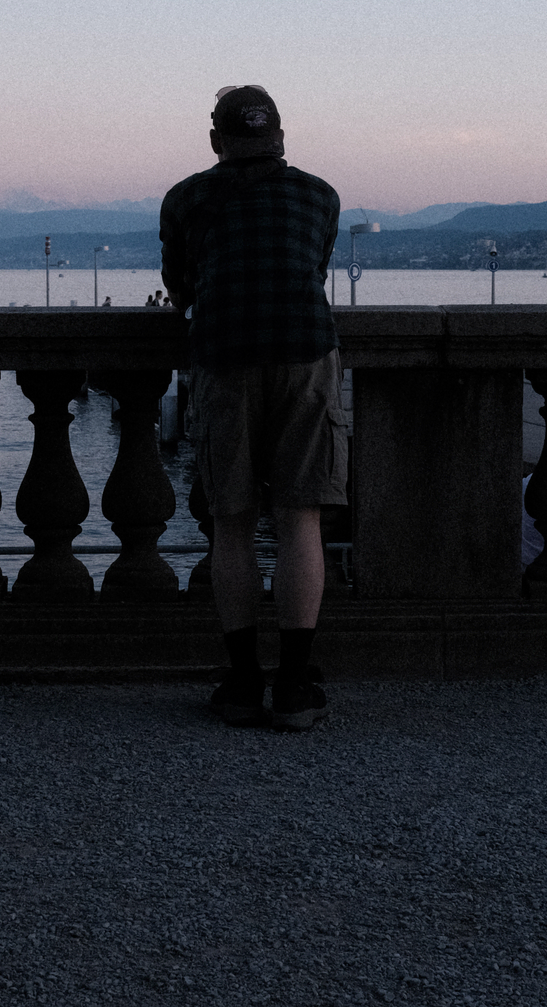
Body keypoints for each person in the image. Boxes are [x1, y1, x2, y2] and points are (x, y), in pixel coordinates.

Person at [160, 85, 346, 730]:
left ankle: (242, 684)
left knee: (232, 520)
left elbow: (180, 286)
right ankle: (294, 687)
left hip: (224, 355)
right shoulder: (320, 195)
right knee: (300, 516)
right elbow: (312, 269)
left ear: (216, 141)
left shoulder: (186, 198)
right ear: (282, 138)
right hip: (304, 352)